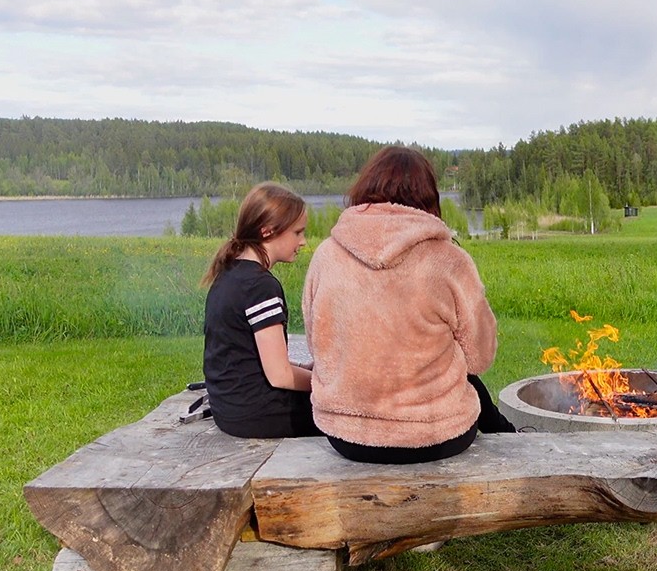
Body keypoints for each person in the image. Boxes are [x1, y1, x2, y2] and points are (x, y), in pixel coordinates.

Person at [302, 145, 516, 465]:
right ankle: (514, 438)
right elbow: (480, 358)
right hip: (436, 435)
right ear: (428, 196)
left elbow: (318, 342)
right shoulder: (448, 260)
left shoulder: (325, 255)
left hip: (346, 435)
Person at [202, 182, 319, 439]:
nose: (303, 242)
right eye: (298, 233)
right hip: (257, 415)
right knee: (351, 413)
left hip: (229, 409)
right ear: (268, 232)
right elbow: (280, 376)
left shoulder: (230, 273)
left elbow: (247, 358)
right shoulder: (260, 287)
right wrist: (330, 385)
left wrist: (307, 368)